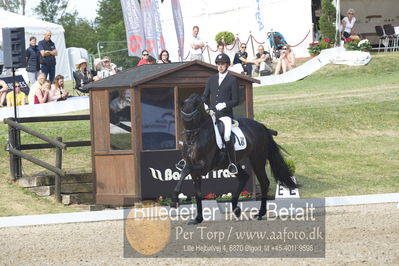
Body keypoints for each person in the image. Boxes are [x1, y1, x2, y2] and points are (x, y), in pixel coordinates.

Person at [202, 53, 239, 174]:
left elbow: (236, 100)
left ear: (227, 65)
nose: (220, 66)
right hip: (212, 114)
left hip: (226, 115)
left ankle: (232, 163)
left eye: (222, 64)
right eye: (218, 64)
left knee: (227, 136)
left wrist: (224, 105)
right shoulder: (211, 79)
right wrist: (205, 104)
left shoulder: (232, 80)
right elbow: (205, 96)